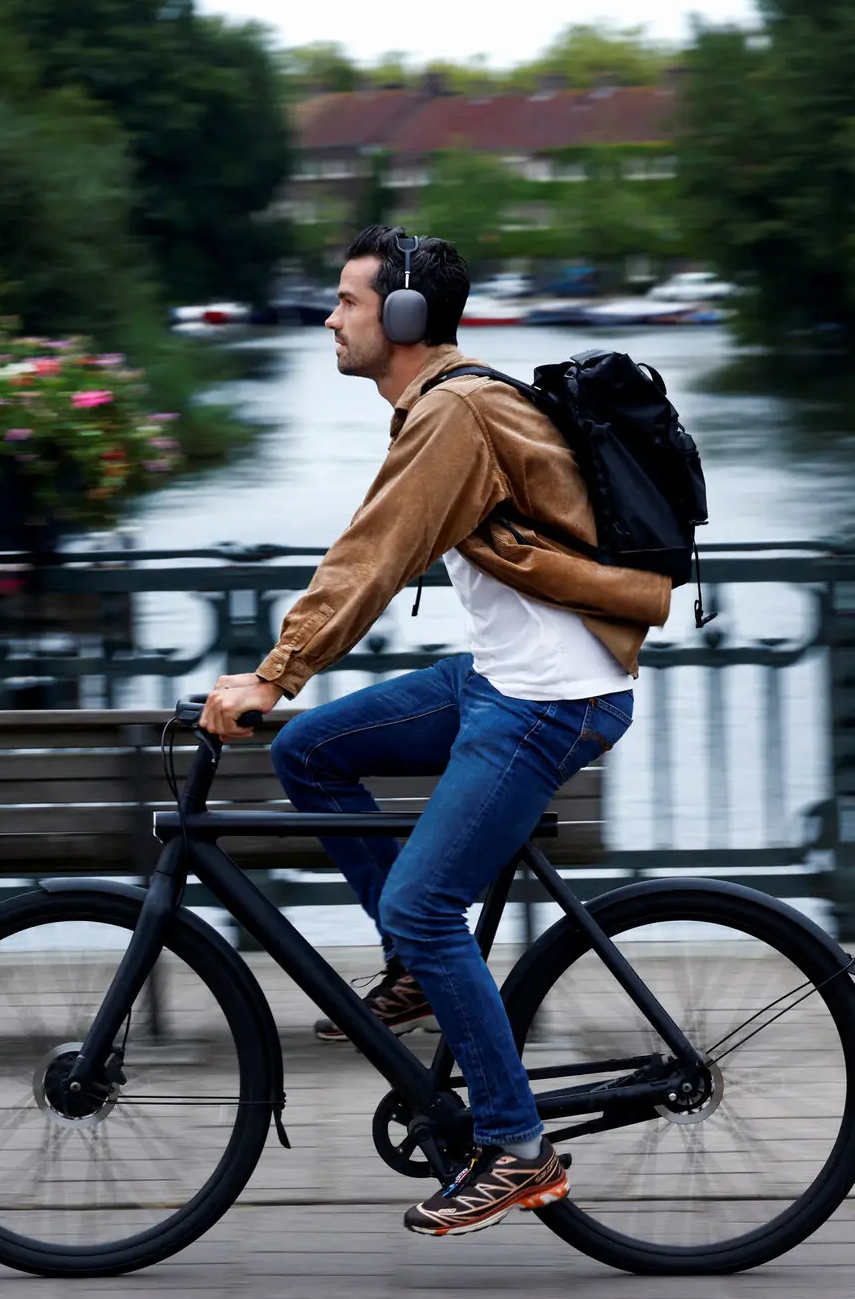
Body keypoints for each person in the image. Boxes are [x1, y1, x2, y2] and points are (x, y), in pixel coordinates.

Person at [199, 226, 670, 1236]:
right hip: (502, 677)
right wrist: (286, 698)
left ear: (404, 319)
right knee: (309, 751)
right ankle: (420, 972)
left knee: (420, 901)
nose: (328, 318)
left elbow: (366, 559)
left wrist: (272, 675)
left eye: (346, 303)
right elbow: (379, 554)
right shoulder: (445, 404)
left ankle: (514, 1146)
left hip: (549, 695)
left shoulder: (453, 411)